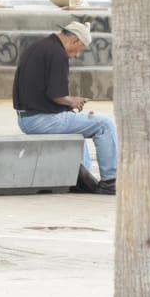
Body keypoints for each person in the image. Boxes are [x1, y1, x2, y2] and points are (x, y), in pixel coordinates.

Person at [13, 21, 118, 194]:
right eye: (81, 49)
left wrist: (68, 106)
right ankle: (110, 181)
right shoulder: (57, 54)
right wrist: (73, 101)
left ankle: (81, 180)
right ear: (74, 41)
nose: (77, 55)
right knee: (104, 124)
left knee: (79, 126)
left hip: (27, 118)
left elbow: (44, 92)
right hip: (41, 120)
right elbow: (57, 95)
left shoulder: (39, 46)